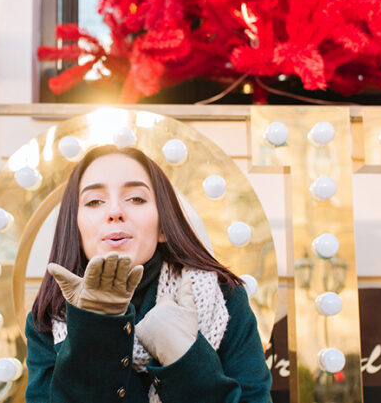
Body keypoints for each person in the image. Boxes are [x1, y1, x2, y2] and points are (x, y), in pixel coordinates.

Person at [25, 145, 272, 402]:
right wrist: (95, 332)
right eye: (94, 201)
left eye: (136, 199)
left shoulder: (225, 299)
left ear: (164, 226)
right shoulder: (49, 318)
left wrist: (184, 355)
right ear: (74, 230)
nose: (114, 212)